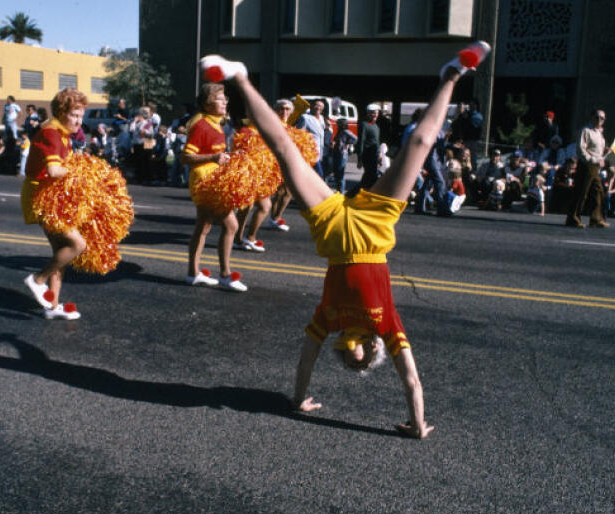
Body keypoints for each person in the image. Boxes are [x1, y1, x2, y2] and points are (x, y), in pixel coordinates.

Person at [199, 44, 488, 438]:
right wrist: (418, 425)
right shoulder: (387, 325)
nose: (354, 355)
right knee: (419, 146)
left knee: (284, 150)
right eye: (361, 361)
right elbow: (413, 383)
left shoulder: (328, 320)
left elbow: (305, 364)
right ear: (374, 352)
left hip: (333, 230)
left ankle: (239, 77)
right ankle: (453, 75)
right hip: (374, 229)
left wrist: (299, 399)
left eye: (348, 360)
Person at [20, 88, 90, 320]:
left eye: (81, 116)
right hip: (42, 194)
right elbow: (53, 170)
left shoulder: (58, 132)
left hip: (49, 191)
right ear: (62, 112)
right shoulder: (52, 133)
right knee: (77, 245)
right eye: (74, 115)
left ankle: (52, 307)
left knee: (62, 251)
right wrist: (80, 171)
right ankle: (37, 279)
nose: (79, 121)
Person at [183, 82, 247, 291]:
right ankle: (225, 274)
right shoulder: (202, 125)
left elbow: (215, 155)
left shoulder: (215, 124)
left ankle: (193, 273)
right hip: (205, 181)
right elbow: (186, 156)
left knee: (204, 226)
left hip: (213, 180)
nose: (225, 102)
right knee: (230, 225)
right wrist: (214, 157)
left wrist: (229, 156)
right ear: (208, 103)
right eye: (220, 99)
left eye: (225, 98)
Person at [567, 109, 609, 228]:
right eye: (597, 117)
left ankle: (596, 218)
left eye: (602, 118)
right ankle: (573, 218)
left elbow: (598, 150)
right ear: (592, 117)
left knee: (598, 192)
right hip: (586, 165)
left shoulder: (600, 134)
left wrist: (605, 152)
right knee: (581, 192)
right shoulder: (586, 131)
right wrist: (593, 160)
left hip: (595, 167)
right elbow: (581, 149)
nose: (599, 120)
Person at [266, 99, 295, 231]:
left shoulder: (289, 125)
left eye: (287, 109)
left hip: (287, 161)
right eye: (281, 109)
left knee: (288, 192)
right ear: (276, 110)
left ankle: (276, 217)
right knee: (279, 192)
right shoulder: (273, 124)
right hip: (274, 162)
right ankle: (274, 218)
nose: (284, 111)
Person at [355, 103, 381, 191]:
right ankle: (354, 193)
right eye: (373, 113)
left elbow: (376, 142)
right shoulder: (364, 125)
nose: (375, 115)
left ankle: (359, 193)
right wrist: (359, 159)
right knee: (370, 176)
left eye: (376, 113)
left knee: (371, 177)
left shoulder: (376, 126)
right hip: (368, 155)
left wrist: (379, 155)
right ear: (368, 113)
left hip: (375, 155)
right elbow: (361, 142)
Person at [332, 117, 357, 193]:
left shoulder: (346, 131)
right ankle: (338, 190)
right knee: (337, 173)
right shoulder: (339, 132)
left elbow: (355, 139)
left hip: (342, 154)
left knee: (340, 173)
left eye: (339, 123)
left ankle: (341, 191)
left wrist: (348, 144)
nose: (337, 125)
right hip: (337, 153)